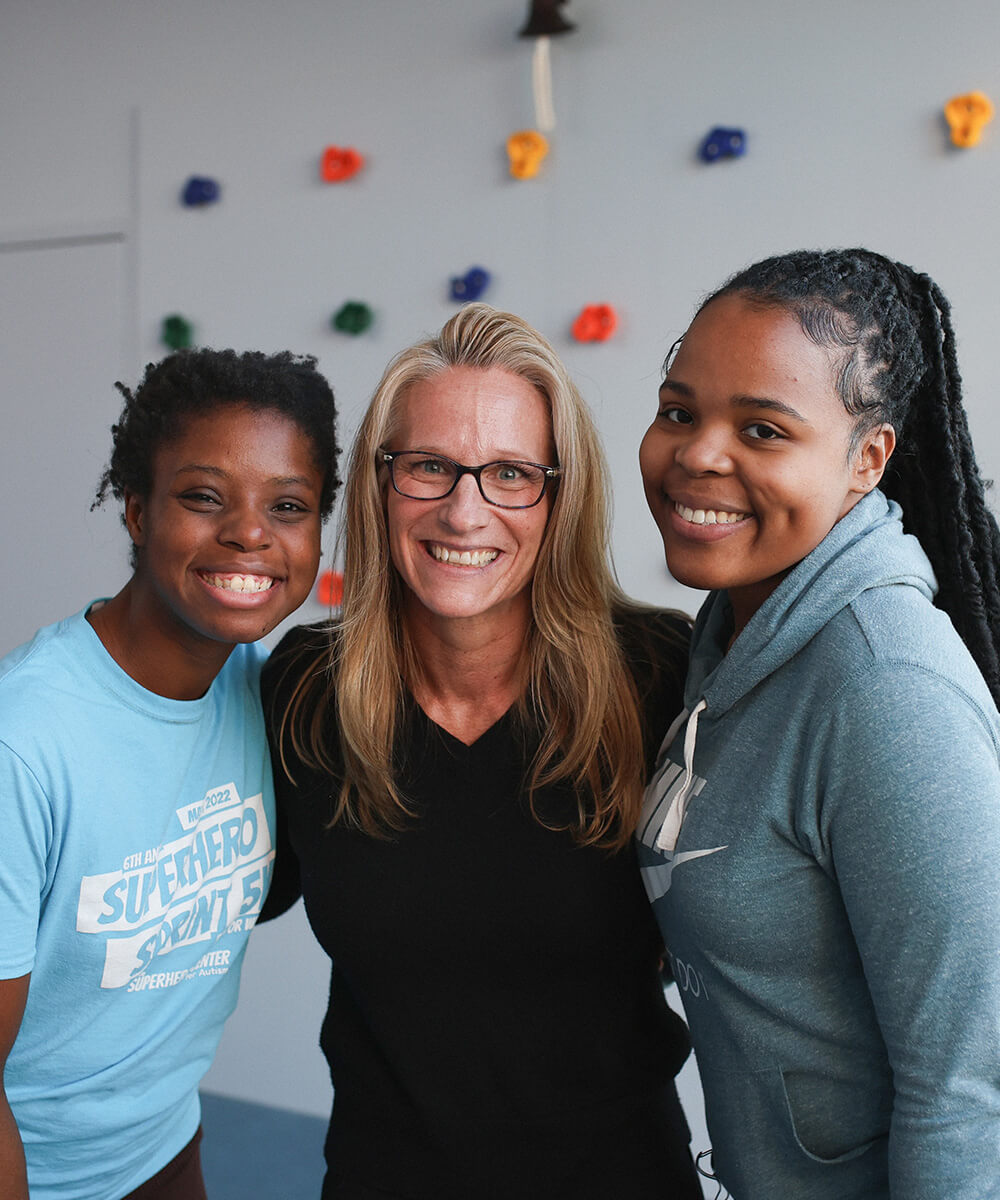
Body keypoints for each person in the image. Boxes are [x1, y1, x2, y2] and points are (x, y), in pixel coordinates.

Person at [261, 302, 702, 1199]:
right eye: (428, 466)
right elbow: (201, 897)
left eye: (508, 472)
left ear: (558, 493)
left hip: (620, 1179)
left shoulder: (660, 672)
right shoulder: (307, 687)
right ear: (380, 483)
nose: (465, 511)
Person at [636, 247, 1000, 1198]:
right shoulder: (731, 635)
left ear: (866, 458)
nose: (698, 454)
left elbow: (970, 1089)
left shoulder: (886, 687)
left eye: (762, 428)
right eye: (679, 410)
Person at [0, 347, 340, 1200]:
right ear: (137, 510)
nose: (250, 533)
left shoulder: (263, 694)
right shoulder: (24, 740)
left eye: (288, 505)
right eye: (203, 496)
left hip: (164, 1146)